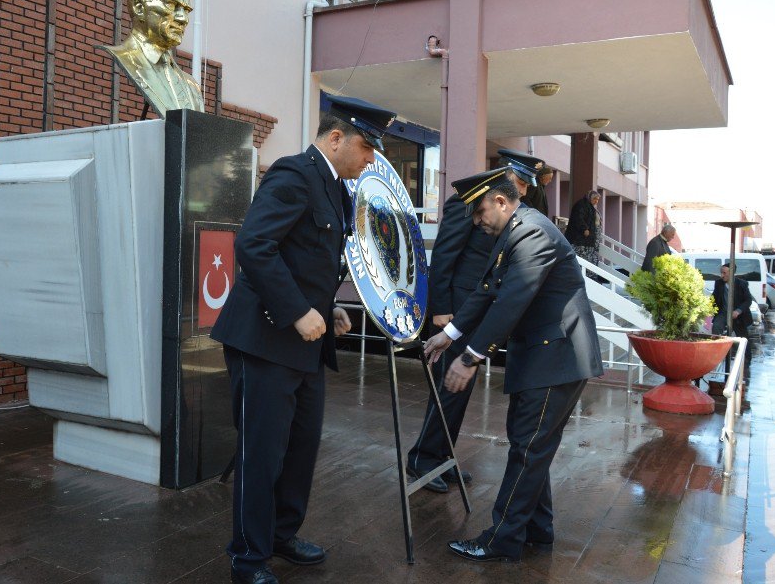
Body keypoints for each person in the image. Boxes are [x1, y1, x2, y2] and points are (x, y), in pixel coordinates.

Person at [210, 94, 395, 584]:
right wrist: (296, 312)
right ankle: (248, 557)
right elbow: (254, 244)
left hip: (306, 346)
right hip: (265, 339)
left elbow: (305, 260)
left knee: (300, 450)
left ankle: (280, 535)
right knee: (262, 453)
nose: (372, 159)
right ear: (336, 138)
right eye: (367, 148)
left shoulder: (335, 188)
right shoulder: (294, 174)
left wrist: (326, 308)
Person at [422, 168, 603, 564]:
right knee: (531, 447)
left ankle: (501, 539)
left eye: (480, 211)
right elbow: (487, 292)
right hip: (544, 357)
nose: (476, 221)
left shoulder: (532, 232)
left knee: (527, 449)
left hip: (556, 359)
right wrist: (449, 334)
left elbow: (512, 301)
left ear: (502, 202)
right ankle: (538, 530)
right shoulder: (513, 231)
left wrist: (470, 357)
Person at [407, 150, 544, 494]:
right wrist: (439, 309)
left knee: (459, 390)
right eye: (521, 183)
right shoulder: (467, 202)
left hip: (476, 313)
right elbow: (444, 255)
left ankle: (442, 457)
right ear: (506, 178)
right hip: (453, 310)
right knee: (447, 390)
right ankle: (422, 458)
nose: (524, 193)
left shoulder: (508, 209)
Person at [102, 0, 204, 118]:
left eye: (186, 10)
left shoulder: (192, 86)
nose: (183, 18)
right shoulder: (122, 58)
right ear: (139, 7)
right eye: (171, 4)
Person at [713, 263, 754, 365]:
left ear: (732, 273)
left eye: (724, 273)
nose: (722, 275)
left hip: (737, 315)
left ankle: (747, 360)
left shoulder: (742, 284)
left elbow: (748, 300)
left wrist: (738, 311)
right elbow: (713, 298)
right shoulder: (718, 283)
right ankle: (716, 354)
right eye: (721, 273)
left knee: (743, 337)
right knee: (716, 327)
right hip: (723, 312)